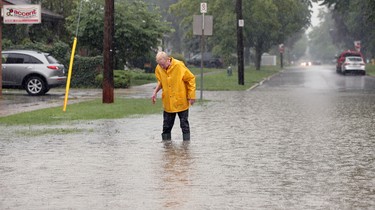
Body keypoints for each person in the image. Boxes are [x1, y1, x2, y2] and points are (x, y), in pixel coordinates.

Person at [151, 51, 196, 141]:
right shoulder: (159, 68)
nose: (162, 67)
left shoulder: (179, 65)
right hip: (168, 102)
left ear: (168, 59)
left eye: (163, 64)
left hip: (181, 101)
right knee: (166, 127)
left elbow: (191, 79)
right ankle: (166, 148)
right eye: (160, 65)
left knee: (184, 125)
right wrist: (155, 92)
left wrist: (192, 96)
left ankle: (186, 147)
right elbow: (161, 81)